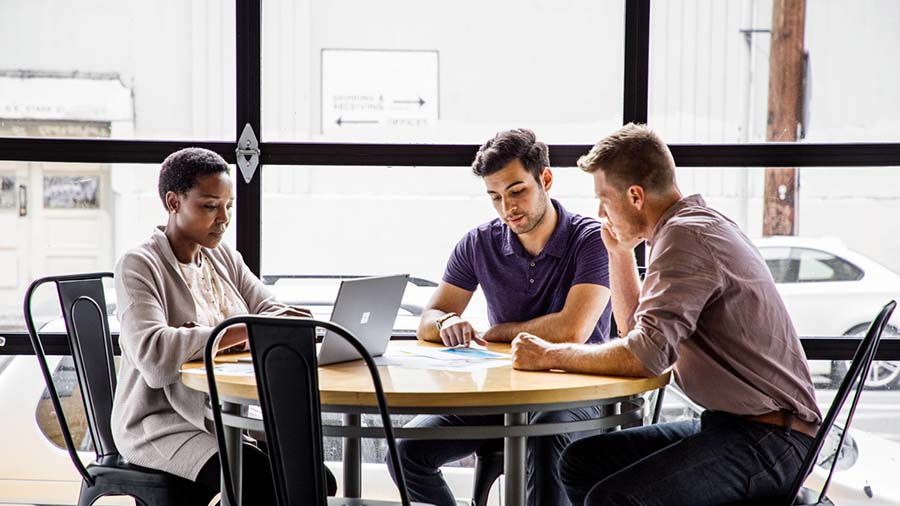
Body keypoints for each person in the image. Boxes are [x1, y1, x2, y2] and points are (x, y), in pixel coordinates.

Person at [510, 123, 823, 506]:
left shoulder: (685, 238)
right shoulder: (688, 227)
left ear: (635, 196)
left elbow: (643, 358)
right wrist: (620, 252)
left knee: (615, 498)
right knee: (581, 461)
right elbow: (635, 335)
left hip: (771, 440)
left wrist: (548, 355)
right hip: (734, 426)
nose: (599, 212)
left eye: (604, 199)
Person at [388, 129, 613, 506]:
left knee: (543, 436)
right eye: (495, 197)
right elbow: (429, 318)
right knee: (407, 451)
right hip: (501, 394)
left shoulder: (590, 239)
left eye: (517, 191)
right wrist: (446, 323)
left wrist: (497, 332)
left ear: (545, 179)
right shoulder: (479, 242)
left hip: (575, 388)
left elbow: (572, 330)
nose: (507, 207)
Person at [110, 147, 334, 503]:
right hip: (161, 423)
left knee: (317, 479)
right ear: (173, 202)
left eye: (228, 206)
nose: (223, 219)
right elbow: (154, 356)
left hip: (224, 417)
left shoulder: (222, 256)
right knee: (262, 482)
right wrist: (241, 331)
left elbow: (268, 309)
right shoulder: (140, 265)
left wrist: (219, 332)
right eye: (210, 206)